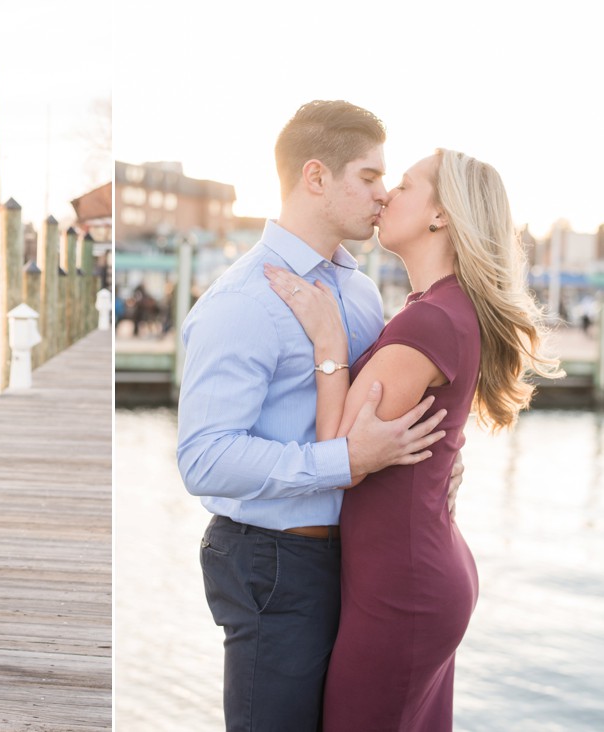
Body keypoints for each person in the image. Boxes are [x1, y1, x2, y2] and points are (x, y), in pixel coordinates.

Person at [176, 100, 455, 730]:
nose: (383, 195)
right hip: (272, 562)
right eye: (368, 177)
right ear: (316, 177)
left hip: (351, 561)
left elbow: (377, 408)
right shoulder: (243, 301)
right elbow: (204, 457)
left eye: (387, 180)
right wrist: (344, 461)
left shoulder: (357, 290)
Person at [264, 149, 562, 730]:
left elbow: (338, 452)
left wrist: (328, 345)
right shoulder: (434, 308)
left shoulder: (429, 319)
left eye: (402, 185)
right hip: (412, 571)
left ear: (440, 216)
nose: (384, 196)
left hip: (403, 589)